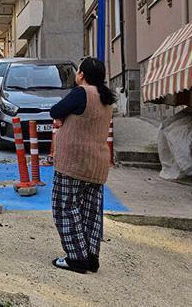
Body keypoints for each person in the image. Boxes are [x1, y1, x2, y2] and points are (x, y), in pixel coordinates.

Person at [49, 57, 116, 274]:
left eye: (78, 71)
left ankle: (76, 258)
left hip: (73, 163)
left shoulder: (81, 93)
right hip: (97, 165)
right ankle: (91, 257)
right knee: (91, 212)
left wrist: (61, 119)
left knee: (65, 207)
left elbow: (55, 110)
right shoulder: (106, 98)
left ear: (82, 75)